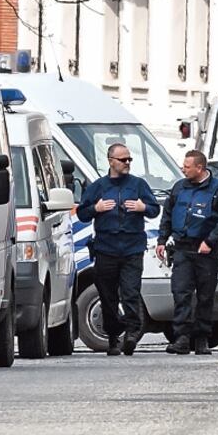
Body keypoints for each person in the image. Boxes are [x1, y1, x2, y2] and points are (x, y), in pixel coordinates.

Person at [76, 143, 160, 356]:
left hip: (132, 248)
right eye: (123, 160)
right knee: (107, 295)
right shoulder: (98, 187)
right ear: (111, 161)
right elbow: (82, 213)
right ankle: (114, 336)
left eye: (129, 159)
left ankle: (132, 332)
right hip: (106, 249)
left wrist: (143, 208)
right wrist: (96, 208)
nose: (127, 163)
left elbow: (154, 209)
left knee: (131, 292)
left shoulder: (138, 185)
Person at [156, 150, 218, 355]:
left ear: (199, 168)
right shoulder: (179, 187)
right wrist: (162, 240)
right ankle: (181, 338)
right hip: (182, 248)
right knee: (180, 292)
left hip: (205, 251)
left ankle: (201, 339)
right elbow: (168, 214)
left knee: (205, 296)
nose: (183, 169)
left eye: (187, 166)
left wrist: (210, 241)